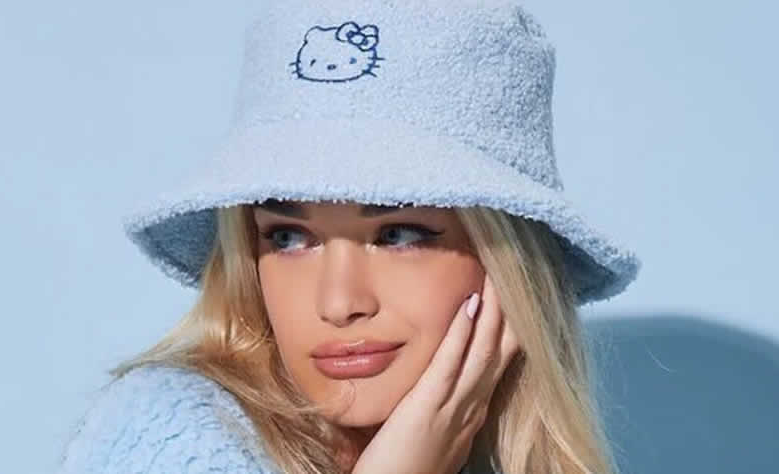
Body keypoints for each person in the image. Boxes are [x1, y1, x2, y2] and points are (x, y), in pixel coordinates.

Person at [57, 0, 641, 473]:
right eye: (289, 238)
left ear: (507, 262)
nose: (339, 303)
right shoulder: (168, 437)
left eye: (398, 234)